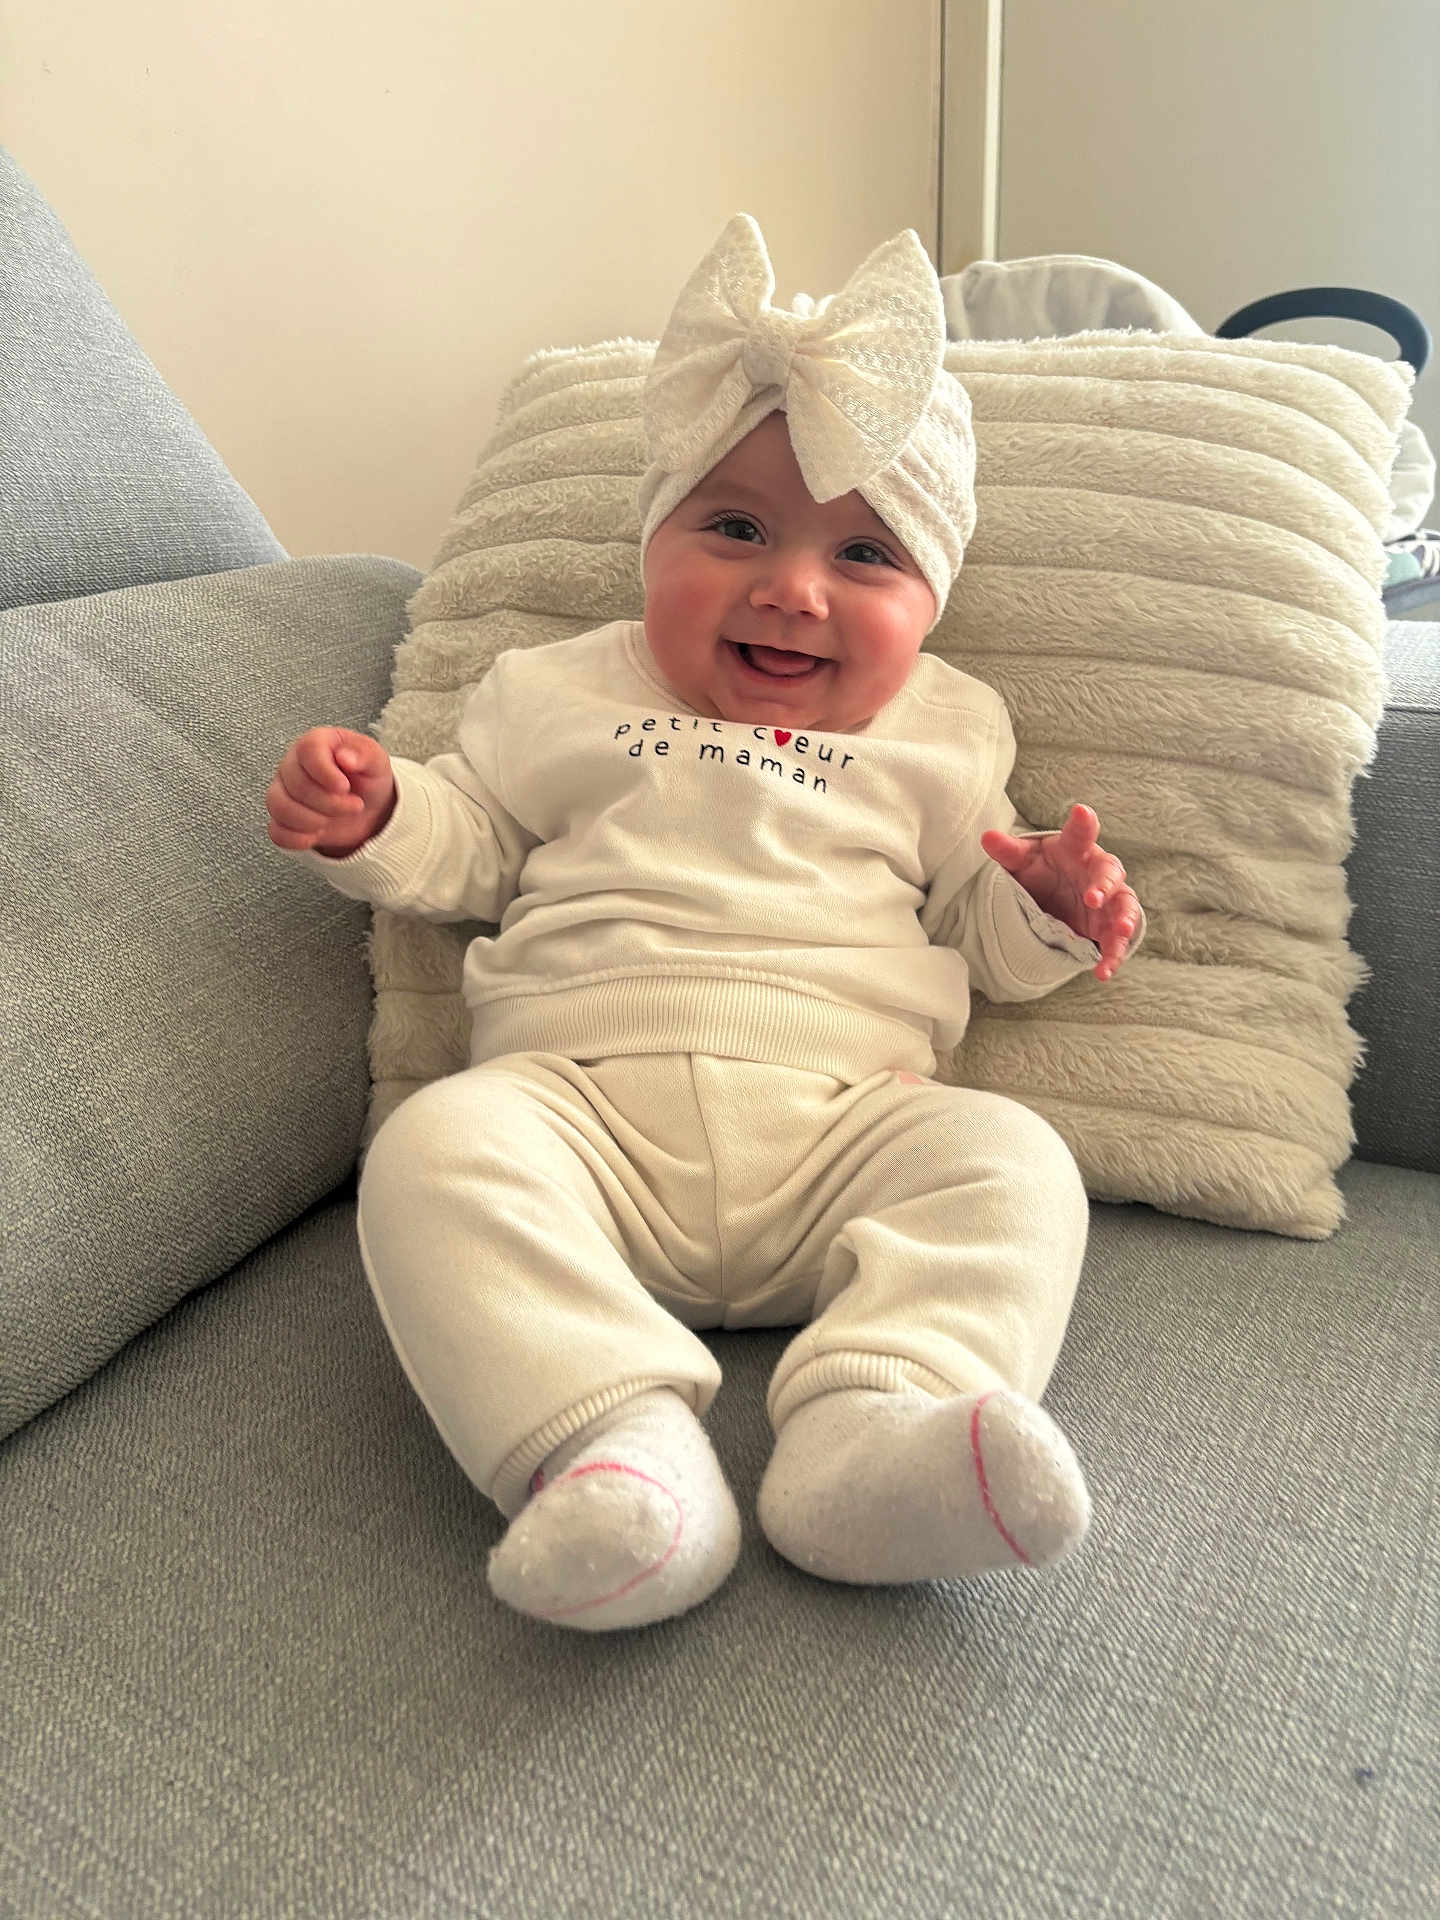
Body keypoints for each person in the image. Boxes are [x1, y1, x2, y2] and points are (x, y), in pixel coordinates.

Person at [265, 214, 1146, 1633]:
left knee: (1015, 1161)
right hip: (576, 1113)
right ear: (653, 536)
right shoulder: (554, 687)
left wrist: (1045, 906)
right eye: (733, 528)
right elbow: (478, 842)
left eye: (866, 556)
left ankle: (875, 1431)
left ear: (934, 605)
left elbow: (975, 925)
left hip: (851, 1122)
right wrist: (379, 820)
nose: (792, 588)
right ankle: (610, 1450)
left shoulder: (950, 728)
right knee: (435, 1149)